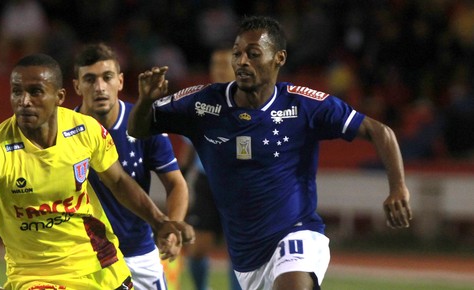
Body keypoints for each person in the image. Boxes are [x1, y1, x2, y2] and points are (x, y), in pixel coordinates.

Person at [128, 16, 413, 290]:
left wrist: (398, 187)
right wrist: (144, 102)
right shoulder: (203, 104)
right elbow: (139, 129)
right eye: (237, 54)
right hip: (247, 256)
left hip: (297, 232)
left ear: (279, 58)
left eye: (253, 54)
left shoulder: (304, 105)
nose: (242, 62)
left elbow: (380, 131)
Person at [0, 53, 194, 290]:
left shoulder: (85, 130)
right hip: (37, 277)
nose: (24, 101)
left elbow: (118, 181)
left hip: (101, 266)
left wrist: (159, 222)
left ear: (60, 96)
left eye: (36, 92)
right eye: (17, 92)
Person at [72, 43, 190, 290]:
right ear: (77, 86)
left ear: (121, 81)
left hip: (138, 255)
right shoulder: (65, 132)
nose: (100, 87)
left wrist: (172, 227)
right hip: (83, 259)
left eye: (107, 77)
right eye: (90, 79)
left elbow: (176, 183)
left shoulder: (144, 126)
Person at [180, 47, 242, 290]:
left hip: (240, 185)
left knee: (239, 250)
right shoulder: (201, 104)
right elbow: (188, 150)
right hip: (207, 183)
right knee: (196, 249)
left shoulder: (250, 101)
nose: (218, 69)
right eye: (214, 64)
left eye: (224, 63)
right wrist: (179, 183)